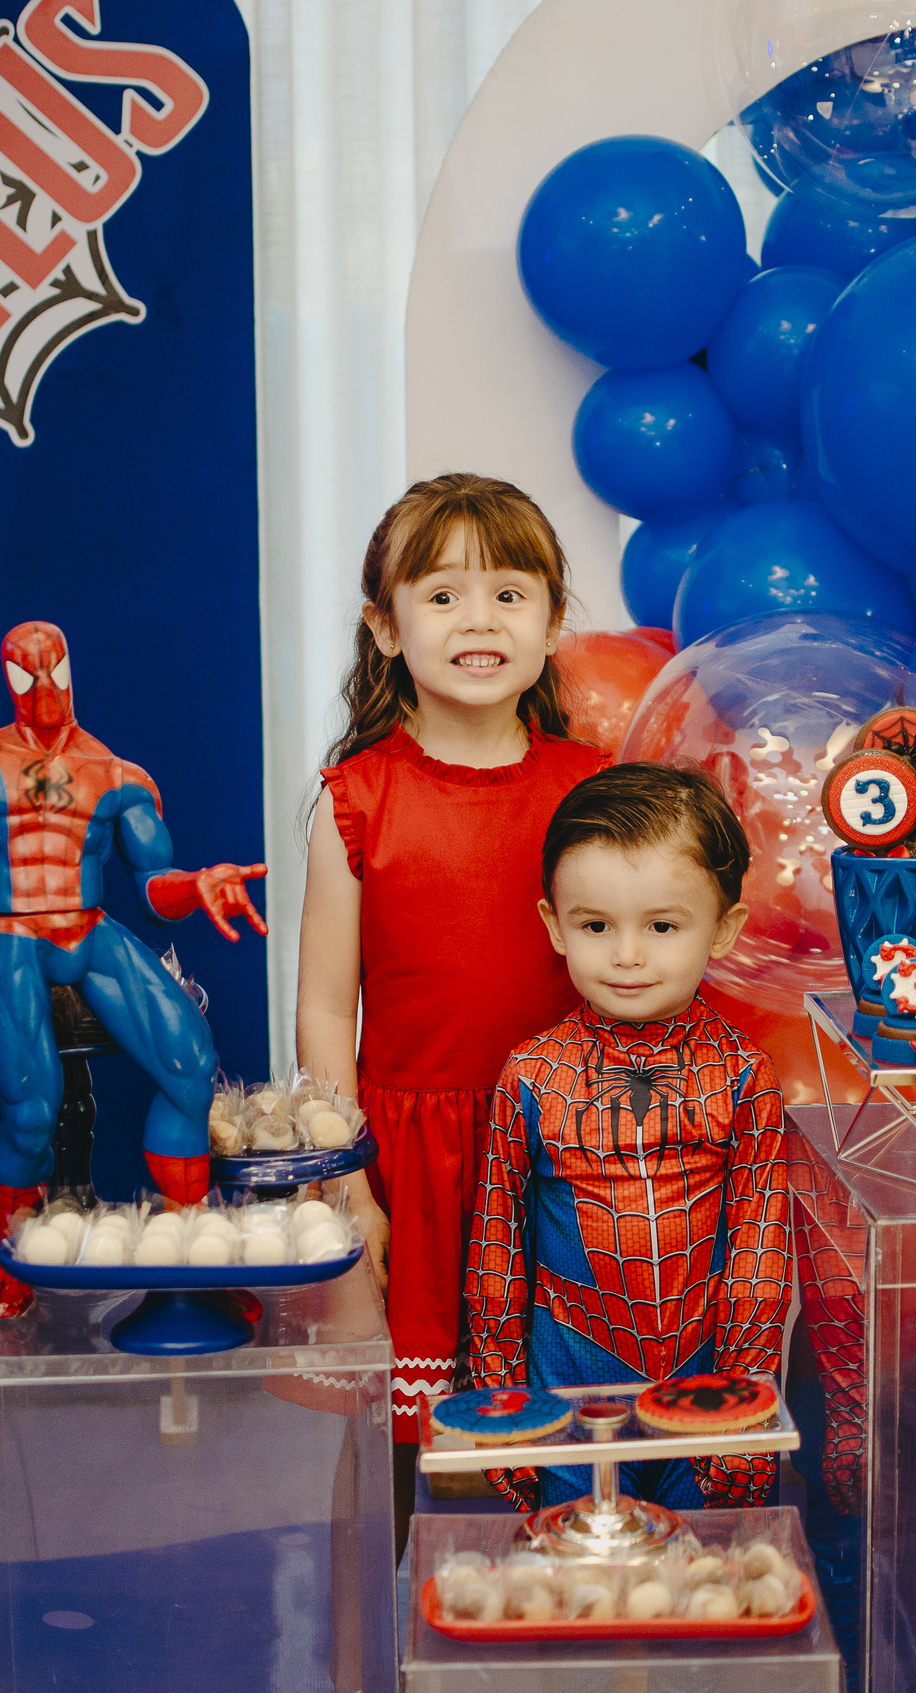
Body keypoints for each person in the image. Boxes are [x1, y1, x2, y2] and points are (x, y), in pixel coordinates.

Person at [465, 762, 792, 1693]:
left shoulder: (742, 1075)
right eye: (596, 925)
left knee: (695, 1572)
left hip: (703, 1366)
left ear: (725, 929)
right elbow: (496, 1249)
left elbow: (758, 1246)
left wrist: (744, 1400)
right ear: (553, 926)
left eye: (662, 925)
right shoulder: (531, 1074)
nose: (628, 954)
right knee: (574, 1578)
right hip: (568, 1365)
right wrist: (502, 1407)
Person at [295, 472, 608, 1503]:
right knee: (387, 1456)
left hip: (560, 1160)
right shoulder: (356, 800)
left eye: (510, 593)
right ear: (384, 629)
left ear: (554, 621)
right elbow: (327, 1009)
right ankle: (368, 1665)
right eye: (442, 595)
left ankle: (532, 1636)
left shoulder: (594, 792)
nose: (480, 620)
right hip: (406, 1165)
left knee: (550, 1437)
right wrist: (348, 1180)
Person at [0, 620, 266, 1320]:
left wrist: (195, 886)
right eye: (24, 672)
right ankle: (18, 1257)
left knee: (191, 1066)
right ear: (6, 674)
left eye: (53, 669)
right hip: (14, 935)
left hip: (91, 928)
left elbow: (155, 888)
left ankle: (189, 1256)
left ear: (72, 670)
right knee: (32, 1116)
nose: (42, 686)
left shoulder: (119, 776)